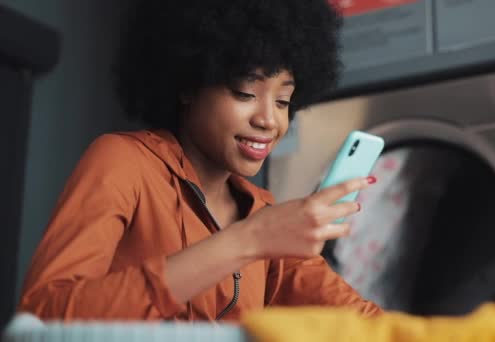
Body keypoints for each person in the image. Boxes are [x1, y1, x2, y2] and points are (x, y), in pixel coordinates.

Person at [18, 0, 382, 321]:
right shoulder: (123, 162)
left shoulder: (263, 212)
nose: (268, 121)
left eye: (283, 102)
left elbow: (366, 323)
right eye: (245, 93)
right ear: (189, 84)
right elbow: (45, 315)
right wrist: (248, 242)